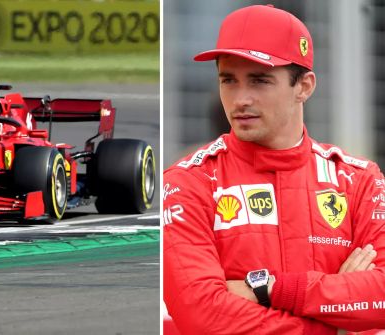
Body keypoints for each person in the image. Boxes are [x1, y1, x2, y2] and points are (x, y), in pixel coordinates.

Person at [163, 5, 385, 334]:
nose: (240, 99)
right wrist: (332, 316)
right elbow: (203, 315)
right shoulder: (187, 182)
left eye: (259, 80)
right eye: (229, 80)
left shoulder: (359, 181)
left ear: (304, 86)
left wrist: (272, 289)